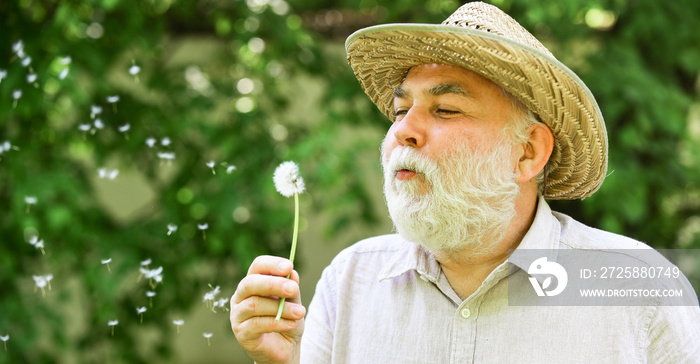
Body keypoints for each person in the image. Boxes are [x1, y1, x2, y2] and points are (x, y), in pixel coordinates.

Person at [230, 2, 700, 363]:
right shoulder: (349, 281)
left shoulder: (637, 287)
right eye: (400, 111)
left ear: (529, 152)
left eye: (446, 109)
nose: (402, 130)